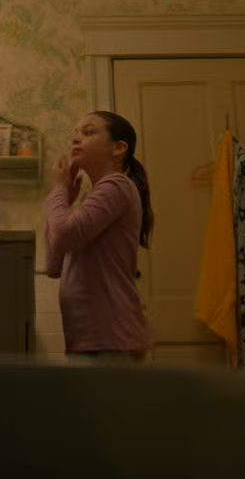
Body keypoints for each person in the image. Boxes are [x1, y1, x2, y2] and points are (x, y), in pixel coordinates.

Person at [43, 111, 154, 364]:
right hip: (90, 338)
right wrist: (63, 199)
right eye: (75, 133)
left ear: (118, 148)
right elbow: (54, 264)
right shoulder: (92, 198)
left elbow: (64, 237)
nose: (75, 138)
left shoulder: (117, 185)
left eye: (88, 132)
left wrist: (58, 190)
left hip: (110, 337)